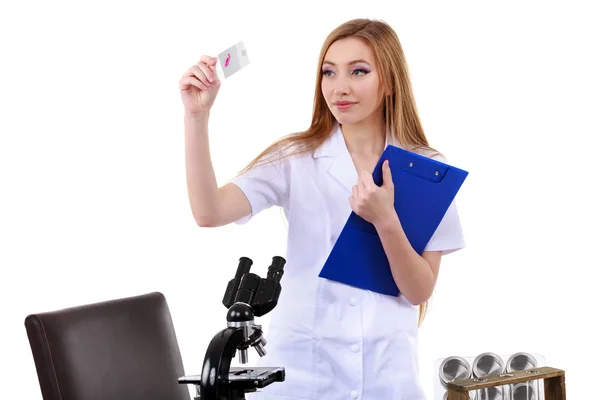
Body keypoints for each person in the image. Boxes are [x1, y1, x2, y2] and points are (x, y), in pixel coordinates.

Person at [179, 18, 465, 400]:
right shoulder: (294, 158)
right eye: (328, 73)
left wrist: (385, 220)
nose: (339, 88)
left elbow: (418, 290)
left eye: (358, 71)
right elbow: (208, 211)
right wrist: (196, 116)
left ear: (391, 82)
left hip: (386, 377)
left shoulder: (429, 171)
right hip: (304, 376)